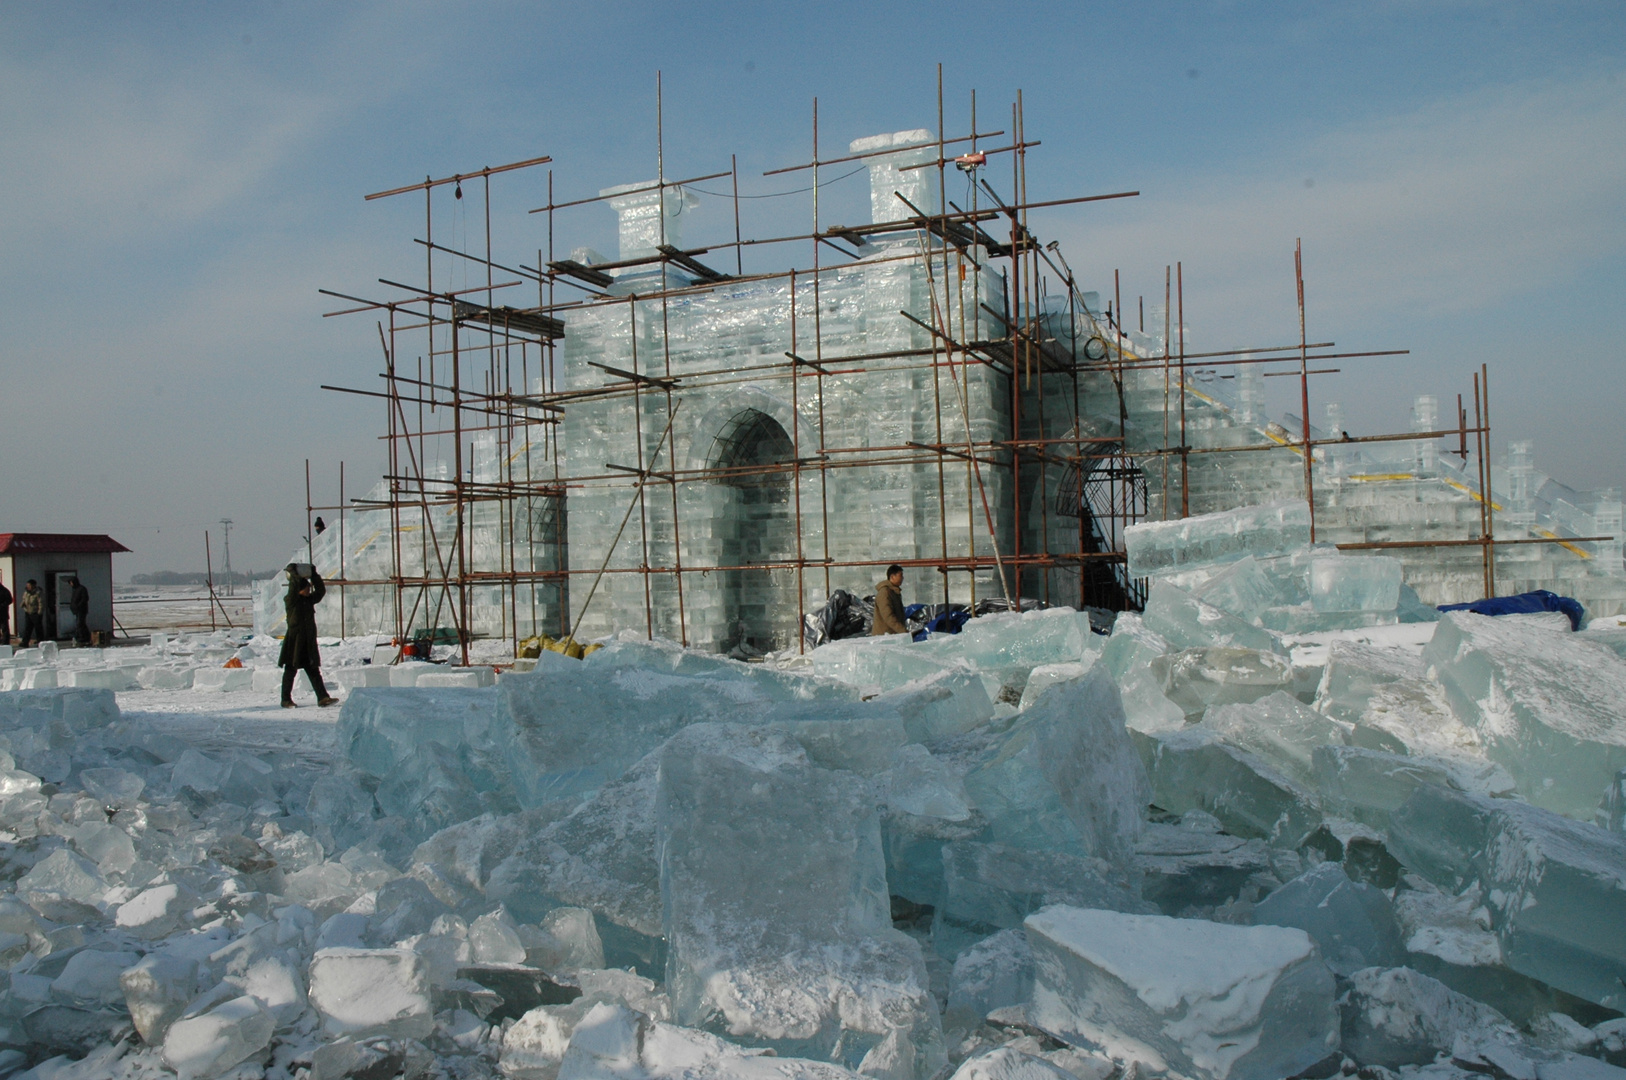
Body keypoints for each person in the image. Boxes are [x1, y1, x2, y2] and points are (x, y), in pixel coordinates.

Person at [279, 564, 336, 708]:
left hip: (307, 641)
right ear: (300, 589)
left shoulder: (308, 601)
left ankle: (323, 698)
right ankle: (285, 700)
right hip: (295, 641)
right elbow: (293, 589)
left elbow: (321, 591)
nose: (309, 589)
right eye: (307, 588)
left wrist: (315, 576)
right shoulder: (291, 600)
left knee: (313, 669)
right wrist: (295, 575)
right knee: (290, 670)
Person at [871, 564, 908, 636]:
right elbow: (888, 616)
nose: (902, 578)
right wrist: (902, 631)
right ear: (892, 577)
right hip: (884, 636)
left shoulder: (894, 592)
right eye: (900, 575)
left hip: (893, 635)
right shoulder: (885, 593)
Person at [19, 581, 44, 647]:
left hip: (35, 612)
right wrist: (22, 605)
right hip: (28, 612)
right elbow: (24, 599)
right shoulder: (26, 592)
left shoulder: (38, 593)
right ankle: (25, 642)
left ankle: (40, 642)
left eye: (29, 585)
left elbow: (41, 603)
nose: (28, 587)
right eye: (27, 585)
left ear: (33, 585)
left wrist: (39, 612)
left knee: (38, 628)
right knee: (27, 627)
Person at [68, 578, 90, 646]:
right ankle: (83, 636)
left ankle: (83, 637)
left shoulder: (82, 589)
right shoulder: (75, 589)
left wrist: (78, 606)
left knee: (80, 624)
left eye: (71, 582)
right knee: (80, 624)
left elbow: (85, 598)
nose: (71, 584)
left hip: (81, 610)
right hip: (77, 610)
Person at [0, 579, 11, 644]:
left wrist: (2, 606)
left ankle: (5, 643)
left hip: (3, 613)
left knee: (4, 629)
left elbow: (9, 600)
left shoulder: (4, 591)